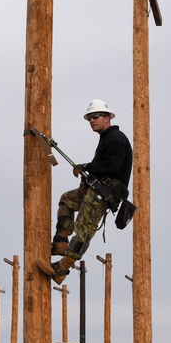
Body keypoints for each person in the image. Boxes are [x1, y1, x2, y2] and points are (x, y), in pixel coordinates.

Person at [37, 99, 133, 285]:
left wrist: (87, 166)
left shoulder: (116, 138)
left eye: (95, 116)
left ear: (107, 118)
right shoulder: (107, 138)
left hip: (104, 193)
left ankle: (62, 268)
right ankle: (61, 241)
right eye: (90, 118)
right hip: (96, 188)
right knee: (67, 199)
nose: (92, 120)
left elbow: (112, 166)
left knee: (84, 228)